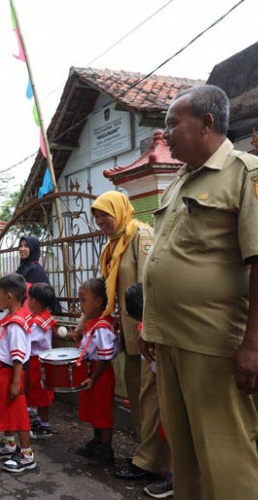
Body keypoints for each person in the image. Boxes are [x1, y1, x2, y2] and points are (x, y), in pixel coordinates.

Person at [142, 84, 258, 499]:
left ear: (206, 123)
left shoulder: (246, 174)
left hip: (213, 343)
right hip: (170, 340)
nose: (166, 133)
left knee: (226, 456)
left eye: (173, 123)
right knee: (185, 457)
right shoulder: (178, 181)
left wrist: (253, 345)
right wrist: (150, 328)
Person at [88, 191, 165, 482]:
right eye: (96, 217)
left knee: (150, 400)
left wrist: (149, 328)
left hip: (146, 333)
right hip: (130, 336)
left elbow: (150, 283)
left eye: (103, 215)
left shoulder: (140, 236)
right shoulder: (112, 245)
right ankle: (146, 454)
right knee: (138, 399)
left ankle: (152, 462)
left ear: (119, 211)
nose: (99, 222)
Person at [124, 283, 174, 499]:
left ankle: (173, 477)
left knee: (173, 428)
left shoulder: (154, 332)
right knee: (166, 425)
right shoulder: (146, 331)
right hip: (164, 384)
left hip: (171, 382)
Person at [0, 273, 36, 473]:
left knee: (18, 413)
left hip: (11, 374)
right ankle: (8, 444)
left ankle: (27, 454)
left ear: (9, 296)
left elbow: (17, 356)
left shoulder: (16, 324)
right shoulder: (11, 319)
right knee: (7, 409)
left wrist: (15, 383)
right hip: (3, 372)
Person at [74, 278, 118, 467]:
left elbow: (105, 357)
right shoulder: (93, 323)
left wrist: (93, 378)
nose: (80, 305)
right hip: (93, 374)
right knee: (94, 410)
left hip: (100, 375)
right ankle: (97, 441)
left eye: (84, 300)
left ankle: (106, 450)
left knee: (103, 412)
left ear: (99, 302)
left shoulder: (102, 326)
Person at [24, 283, 57, 440]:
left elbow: (29, 339)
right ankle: (39, 421)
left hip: (38, 360)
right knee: (37, 391)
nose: (27, 301)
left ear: (35, 301)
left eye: (28, 298)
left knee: (40, 393)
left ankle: (44, 425)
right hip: (38, 360)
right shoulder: (41, 317)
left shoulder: (38, 321)